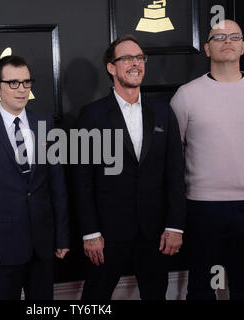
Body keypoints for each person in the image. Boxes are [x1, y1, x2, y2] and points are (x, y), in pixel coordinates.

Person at [170, 20, 244, 300]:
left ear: (243, 46)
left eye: (234, 36)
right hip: (201, 206)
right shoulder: (186, 95)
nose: (227, 41)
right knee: (200, 288)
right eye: (219, 37)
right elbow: (175, 153)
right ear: (207, 48)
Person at [72, 34, 186, 300]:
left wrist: (175, 225)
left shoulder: (163, 112)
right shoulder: (91, 115)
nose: (136, 63)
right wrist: (90, 232)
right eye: (127, 58)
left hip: (156, 232)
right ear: (111, 68)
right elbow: (81, 179)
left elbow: (174, 172)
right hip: (107, 234)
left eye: (140, 58)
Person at [0, 55, 70, 300]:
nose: (21, 89)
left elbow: (57, 184)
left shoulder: (45, 123)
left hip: (43, 244)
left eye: (26, 82)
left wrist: (62, 236)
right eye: (13, 83)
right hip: (2, 247)